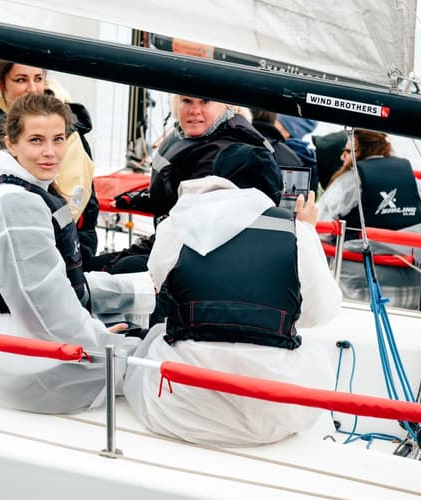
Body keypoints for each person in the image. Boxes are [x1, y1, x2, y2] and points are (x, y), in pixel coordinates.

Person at [0, 93, 155, 414]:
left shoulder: (10, 186)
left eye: (58, 139)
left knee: (142, 342)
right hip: (24, 367)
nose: (50, 152)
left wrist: (143, 290)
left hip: (6, 350)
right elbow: (43, 304)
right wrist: (102, 340)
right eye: (36, 140)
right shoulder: (16, 204)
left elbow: (55, 284)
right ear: (11, 143)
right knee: (155, 360)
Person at [124, 143, 342, 447]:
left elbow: (159, 283)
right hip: (272, 414)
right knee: (316, 354)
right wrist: (307, 232)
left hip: (180, 408)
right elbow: (319, 313)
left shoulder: (178, 223)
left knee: (156, 335)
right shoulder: (295, 233)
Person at [89, 95, 274, 273]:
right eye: (186, 101)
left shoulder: (220, 153)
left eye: (205, 101)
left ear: (225, 105)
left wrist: (117, 262)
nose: (194, 110)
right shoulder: (190, 136)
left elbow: (188, 230)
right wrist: (139, 200)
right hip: (172, 244)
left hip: (193, 259)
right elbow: (175, 194)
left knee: (102, 270)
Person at [0, 59, 100, 262]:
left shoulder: (67, 129)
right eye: (21, 80)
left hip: (62, 247)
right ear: (1, 83)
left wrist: (28, 233)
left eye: (38, 78)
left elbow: (73, 201)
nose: (33, 88)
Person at [317, 129, 421, 309]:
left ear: (361, 151)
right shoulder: (410, 177)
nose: (342, 157)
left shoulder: (349, 181)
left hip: (361, 290)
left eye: (347, 152)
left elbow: (320, 228)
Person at [276, 114, 319, 191]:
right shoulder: (308, 159)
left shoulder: (281, 154)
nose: (272, 123)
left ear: (288, 132)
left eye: (277, 122)